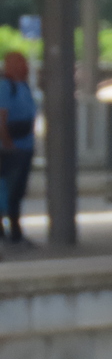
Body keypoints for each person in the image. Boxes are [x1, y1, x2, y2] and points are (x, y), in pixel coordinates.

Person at [0, 52, 37, 246]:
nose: (25, 66)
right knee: (9, 191)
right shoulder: (5, 86)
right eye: (21, 62)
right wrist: (8, 143)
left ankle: (15, 231)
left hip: (25, 145)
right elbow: (2, 117)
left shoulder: (23, 86)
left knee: (18, 190)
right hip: (12, 148)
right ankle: (12, 232)